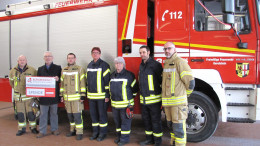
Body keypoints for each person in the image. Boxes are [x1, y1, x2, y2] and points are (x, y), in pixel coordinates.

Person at [162, 42, 195, 146]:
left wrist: (185, 95)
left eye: (169, 48)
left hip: (178, 105)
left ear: (174, 50)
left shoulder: (180, 62)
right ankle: (174, 144)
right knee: (171, 127)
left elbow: (190, 83)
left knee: (179, 128)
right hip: (168, 104)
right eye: (165, 49)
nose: (167, 51)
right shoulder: (167, 63)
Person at [109, 57, 138, 146]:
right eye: (117, 63)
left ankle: (124, 139)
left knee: (125, 123)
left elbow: (135, 89)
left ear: (123, 64)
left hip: (126, 105)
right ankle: (119, 137)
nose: (118, 65)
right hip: (115, 105)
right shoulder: (112, 75)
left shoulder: (129, 75)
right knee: (117, 123)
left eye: (120, 63)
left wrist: (129, 99)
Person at [138, 46, 163, 146]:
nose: (142, 54)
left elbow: (161, 81)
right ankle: (149, 139)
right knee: (146, 121)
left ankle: (157, 142)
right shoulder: (141, 65)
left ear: (148, 52)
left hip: (154, 100)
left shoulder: (156, 65)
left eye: (144, 52)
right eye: (140, 53)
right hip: (144, 100)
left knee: (156, 121)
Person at [9, 55, 39, 136]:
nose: (22, 61)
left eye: (23, 60)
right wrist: (17, 89)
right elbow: (11, 83)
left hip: (29, 97)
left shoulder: (32, 70)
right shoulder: (13, 71)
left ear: (26, 61)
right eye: (20, 60)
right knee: (20, 114)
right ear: (17, 61)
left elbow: (36, 81)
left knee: (31, 113)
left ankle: (33, 128)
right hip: (18, 98)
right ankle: (21, 129)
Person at [60, 53, 86, 140]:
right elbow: (62, 84)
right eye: (69, 58)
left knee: (77, 116)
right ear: (67, 59)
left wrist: (82, 95)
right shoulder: (64, 70)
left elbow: (83, 83)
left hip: (76, 99)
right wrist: (61, 95)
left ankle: (79, 132)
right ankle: (72, 130)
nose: (70, 60)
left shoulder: (80, 69)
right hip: (67, 98)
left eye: (72, 58)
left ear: (75, 59)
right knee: (70, 116)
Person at [86, 47, 110, 141]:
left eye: (97, 53)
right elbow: (88, 81)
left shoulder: (104, 65)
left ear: (100, 54)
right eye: (93, 53)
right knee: (93, 116)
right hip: (92, 97)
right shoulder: (89, 65)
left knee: (102, 116)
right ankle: (95, 132)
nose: (95, 54)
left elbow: (107, 82)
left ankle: (102, 134)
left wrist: (107, 95)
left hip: (102, 97)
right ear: (91, 54)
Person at [36, 51, 62, 138]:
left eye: (49, 56)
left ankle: (54, 129)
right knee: (43, 114)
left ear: (52, 58)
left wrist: (58, 79)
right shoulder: (40, 69)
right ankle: (42, 131)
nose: (47, 58)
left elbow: (62, 80)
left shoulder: (58, 68)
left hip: (54, 95)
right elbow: (38, 82)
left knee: (54, 113)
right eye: (46, 56)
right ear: (44, 58)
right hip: (43, 96)